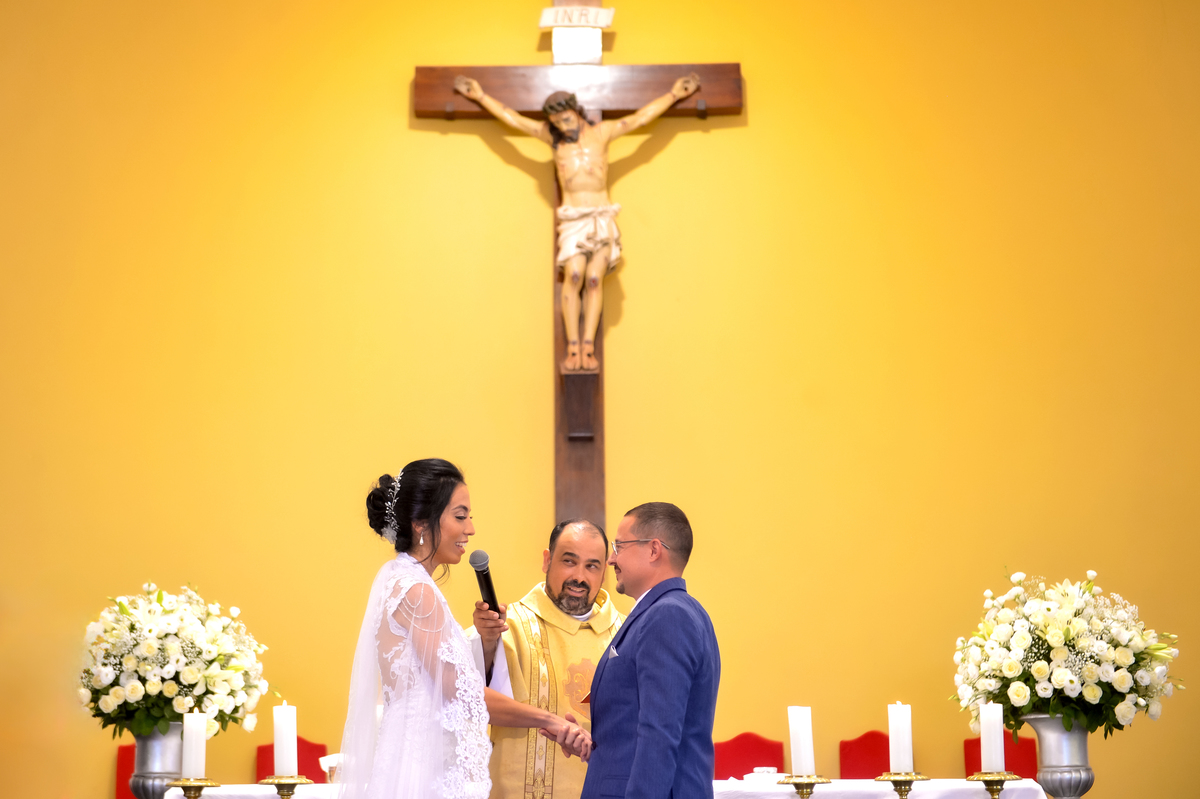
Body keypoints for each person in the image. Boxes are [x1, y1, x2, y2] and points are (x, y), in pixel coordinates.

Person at [337, 459, 591, 799]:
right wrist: (551, 721)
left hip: (411, 759)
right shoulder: (417, 592)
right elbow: (462, 693)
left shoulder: (399, 579)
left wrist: (487, 641)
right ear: (420, 523)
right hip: (421, 772)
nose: (470, 529)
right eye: (460, 516)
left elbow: (436, 681)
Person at [453, 73, 701, 373]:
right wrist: (480, 96)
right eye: (556, 122)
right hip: (573, 219)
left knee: (594, 278)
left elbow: (640, 119)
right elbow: (513, 119)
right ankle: (572, 347)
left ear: (577, 111)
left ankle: (587, 347)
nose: (563, 126)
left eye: (567, 118)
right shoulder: (552, 139)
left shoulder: (602, 133)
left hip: (601, 216)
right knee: (573, 274)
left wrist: (675, 95)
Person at [468, 520, 625, 799]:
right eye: (569, 561)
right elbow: (464, 694)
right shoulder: (509, 625)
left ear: (604, 573)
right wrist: (487, 642)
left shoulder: (626, 635)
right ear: (547, 560)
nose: (579, 577)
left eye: (592, 566)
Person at [580, 502, 721, 799]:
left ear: (654, 550)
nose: (611, 559)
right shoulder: (674, 611)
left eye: (619, 546)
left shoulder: (667, 615)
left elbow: (659, 733)